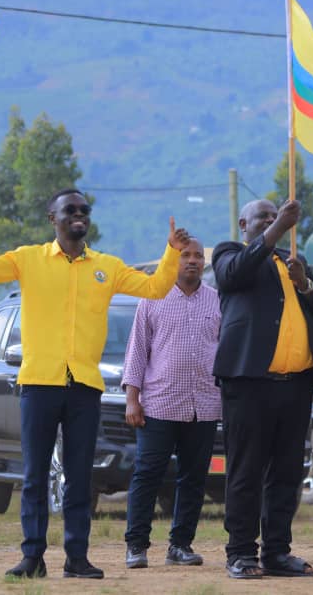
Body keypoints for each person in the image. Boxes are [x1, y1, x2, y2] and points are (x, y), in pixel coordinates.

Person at [0, 190, 189, 579]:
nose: (79, 216)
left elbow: (154, 289)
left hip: (85, 386)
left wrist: (171, 253)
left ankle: (77, 558)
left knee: (79, 476)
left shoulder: (107, 267)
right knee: (34, 475)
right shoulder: (28, 259)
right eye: (70, 210)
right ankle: (32, 557)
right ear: (53, 217)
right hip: (38, 384)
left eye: (84, 210)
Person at [212, 199, 313, 579]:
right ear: (242, 222)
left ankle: (277, 552)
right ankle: (241, 553)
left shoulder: (291, 260)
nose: (270, 219)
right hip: (249, 382)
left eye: (274, 214)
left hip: (295, 384)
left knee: (286, 472)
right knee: (246, 470)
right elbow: (233, 275)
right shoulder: (229, 252)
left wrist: (305, 283)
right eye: (262, 216)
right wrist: (277, 228)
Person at [121, 238, 221, 569]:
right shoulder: (152, 297)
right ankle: (136, 545)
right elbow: (137, 351)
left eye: (196, 256)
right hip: (159, 404)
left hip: (204, 405)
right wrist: (132, 398)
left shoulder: (217, 302)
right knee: (148, 474)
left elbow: (224, 351)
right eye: (184, 255)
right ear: (174, 260)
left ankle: (180, 545)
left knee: (194, 477)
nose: (191, 261)